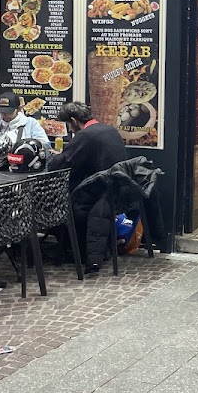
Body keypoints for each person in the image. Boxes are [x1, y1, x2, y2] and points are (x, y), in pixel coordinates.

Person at [47, 101, 128, 273]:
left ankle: (71, 249)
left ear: (74, 120)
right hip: (117, 188)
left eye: (68, 125)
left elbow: (63, 163)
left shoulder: (86, 135)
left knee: (56, 203)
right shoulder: (109, 129)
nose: (69, 130)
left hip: (99, 191)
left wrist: (55, 157)